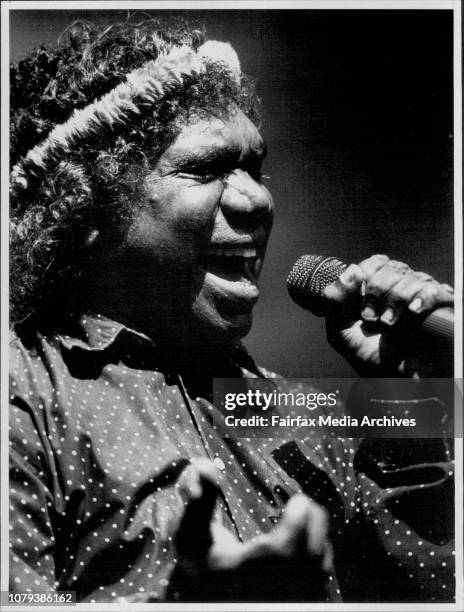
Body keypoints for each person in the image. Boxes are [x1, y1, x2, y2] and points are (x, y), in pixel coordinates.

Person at [9, 17, 455, 603]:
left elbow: (432, 587)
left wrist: (409, 389)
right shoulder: (22, 389)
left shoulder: (294, 404)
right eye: (206, 168)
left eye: (255, 168)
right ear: (85, 208)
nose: (257, 199)